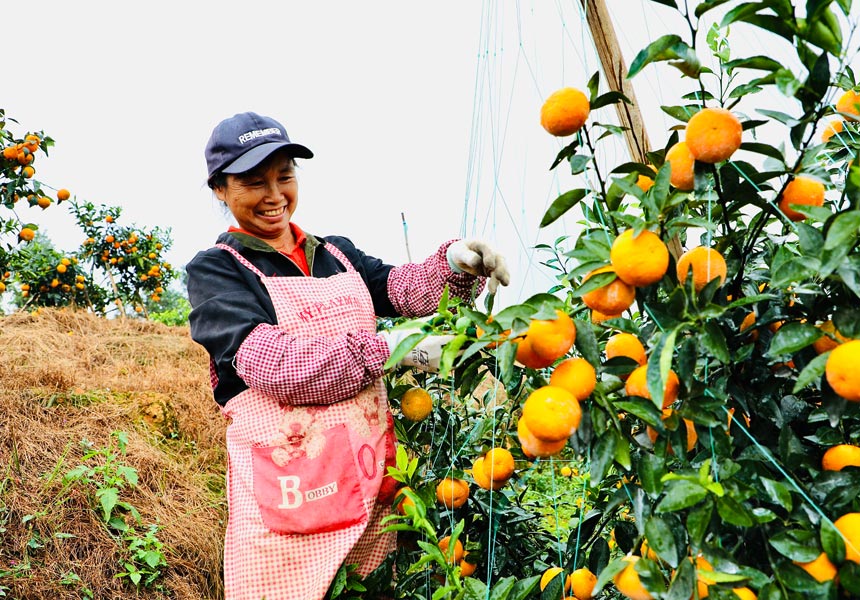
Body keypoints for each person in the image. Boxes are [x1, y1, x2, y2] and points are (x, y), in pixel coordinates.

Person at [186, 111, 510, 600]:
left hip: (367, 485)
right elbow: (276, 365)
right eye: (254, 183)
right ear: (220, 190)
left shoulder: (333, 253)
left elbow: (401, 289)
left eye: (284, 177)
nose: (275, 195)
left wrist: (453, 263)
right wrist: (394, 351)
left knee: (370, 588)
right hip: (292, 493)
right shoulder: (218, 271)